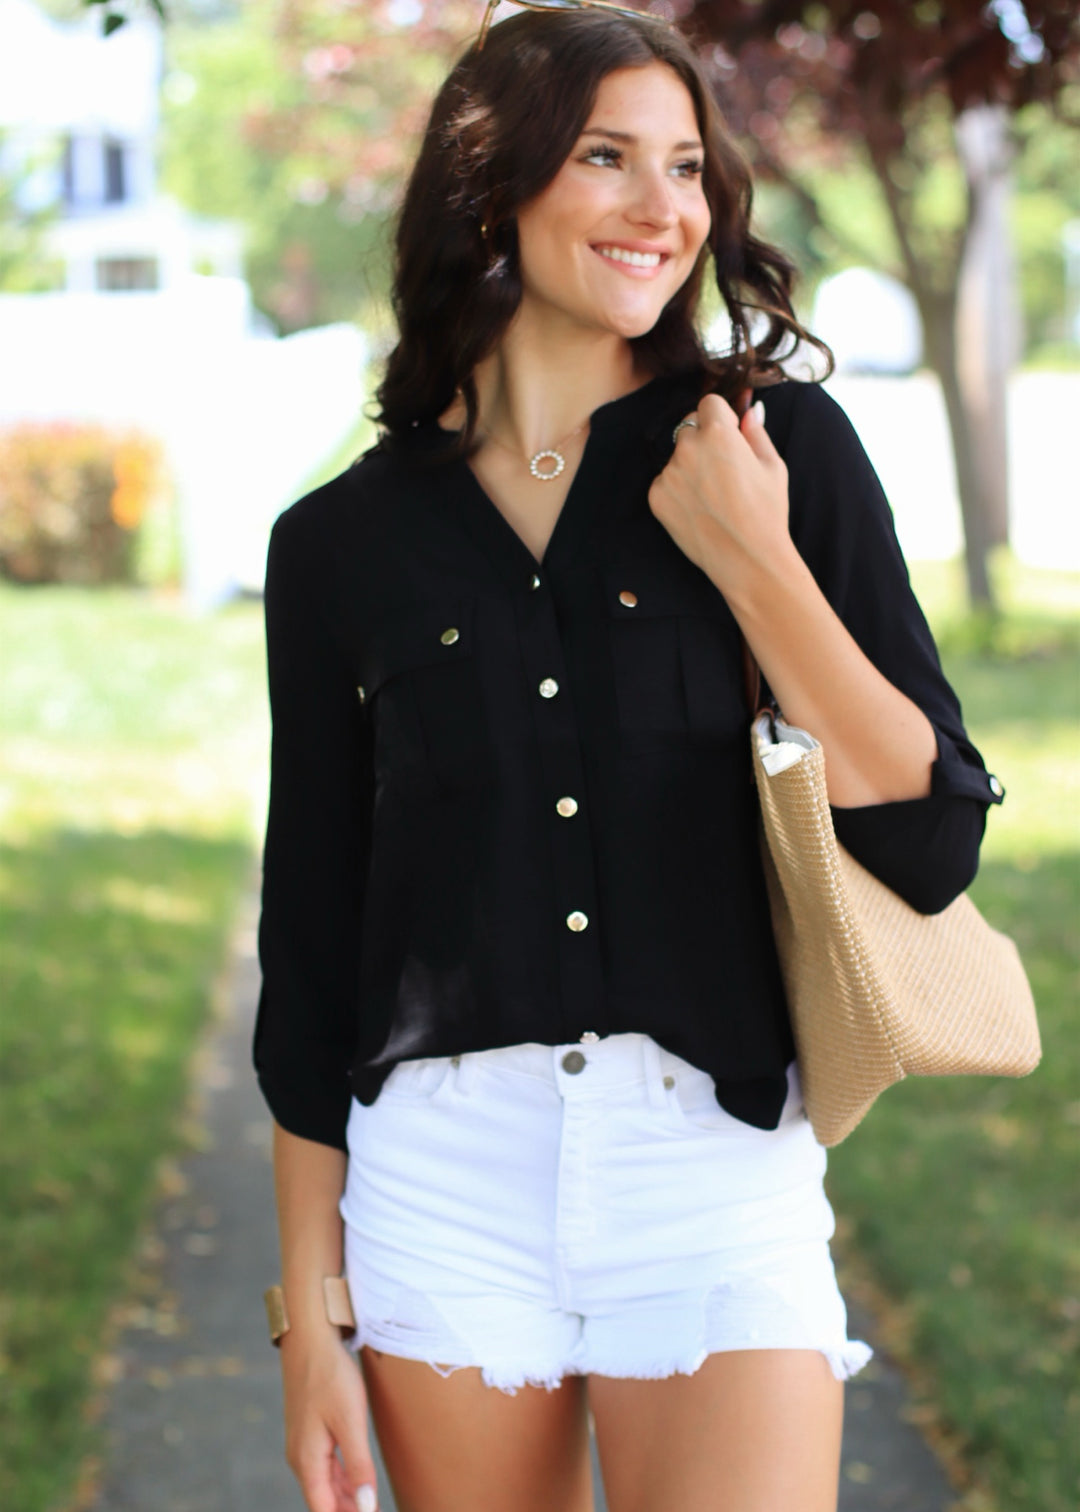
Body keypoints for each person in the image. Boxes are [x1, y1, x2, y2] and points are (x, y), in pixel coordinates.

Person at [252, 7, 1004, 1511]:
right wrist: (306, 1323)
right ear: (493, 185)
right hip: (441, 1192)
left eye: (686, 166)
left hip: (710, 1174)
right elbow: (314, 949)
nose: (666, 209)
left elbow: (931, 836)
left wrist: (757, 564)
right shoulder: (339, 545)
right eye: (608, 157)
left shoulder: (772, 450)